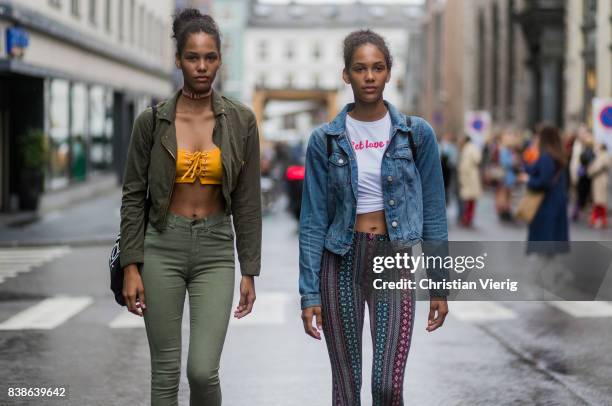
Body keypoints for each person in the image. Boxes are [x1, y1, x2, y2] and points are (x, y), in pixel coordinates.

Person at [299, 30, 449, 405]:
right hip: (340, 260)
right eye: (360, 68)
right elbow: (313, 219)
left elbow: (433, 210)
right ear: (345, 74)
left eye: (377, 68)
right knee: (346, 389)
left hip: (393, 259)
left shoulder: (416, 134)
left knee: (388, 385)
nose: (369, 76)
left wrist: (439, 282)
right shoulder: (325, 140)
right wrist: (309, 292)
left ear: (389, 73)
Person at [119, 9, 261, 406]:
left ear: (220, 58)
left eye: (210, 57)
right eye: (193, 57)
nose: (202, 66)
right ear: (178, 59)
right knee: (164, 373)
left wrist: (249, 268)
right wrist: (132, 265)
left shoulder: (241, 120)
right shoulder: (151, 121)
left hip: (215, 249)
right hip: (161, 245)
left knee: (202, 370)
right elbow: (133, 196)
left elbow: (248, 201)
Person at [524, 125, 569, 253]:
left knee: (545, 243)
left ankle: (550, 272)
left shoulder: (546, 157)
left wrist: (528, 180)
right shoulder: (557, 155)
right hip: (556, 202)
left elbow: (544, 182)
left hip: (546, 203)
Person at [458, 135, 482, 227]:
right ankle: (468, 217)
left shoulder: (468, 149)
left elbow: (474, 161)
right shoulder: (472, 148)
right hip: (471, 177)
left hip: (469, 177)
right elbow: (478, 160)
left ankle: (467, 218)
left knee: (468, 200)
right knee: (471, 200)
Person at [588, 143, 609, 228]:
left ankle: (597, 219)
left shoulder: (603, 156)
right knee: (599, 202)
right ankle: (599, 219)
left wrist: (590, 170)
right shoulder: (600, 156)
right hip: (598, 181)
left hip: (600, 181)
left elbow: (596, 167)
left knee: (599, 202)